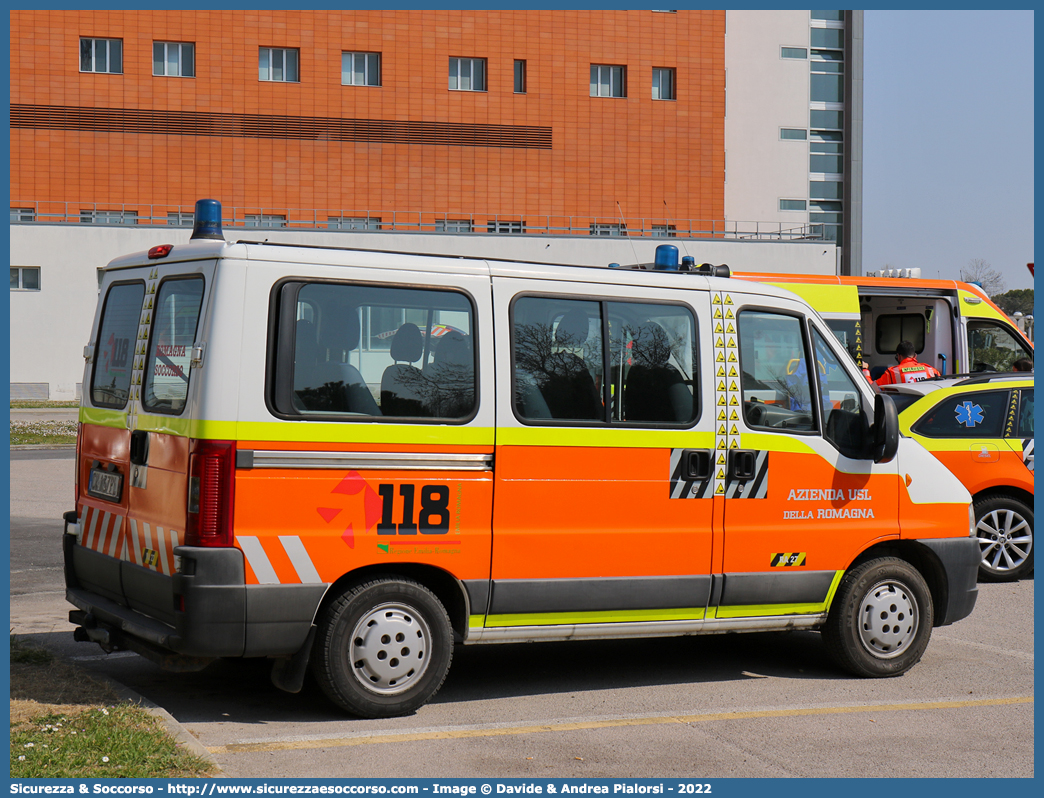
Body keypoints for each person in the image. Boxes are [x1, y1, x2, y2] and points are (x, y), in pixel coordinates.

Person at [875, 341, 941, 385]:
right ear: (915, 356)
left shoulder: (891, 373)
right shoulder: (930, 370)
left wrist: (865, 370)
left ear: (899, 357)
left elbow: (873, 388)